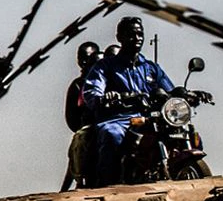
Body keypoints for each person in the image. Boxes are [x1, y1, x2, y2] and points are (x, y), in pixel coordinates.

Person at [79, 17, 174, 188]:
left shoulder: (151, 67)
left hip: (148, 118)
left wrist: (187, 94)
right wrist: (107, 97)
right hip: (119, 119)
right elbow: (92, 92)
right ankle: (107, 185)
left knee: (180, 130)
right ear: (120, 37)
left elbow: (169, 89)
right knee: (112, 135)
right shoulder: (105, 66)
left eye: (140, 34)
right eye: (131, 34)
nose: (137, 38)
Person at [59, 41, 103, 191]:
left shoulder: (111, 80)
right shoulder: (78, 85)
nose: (84, 62)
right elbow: (72, 119)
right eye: (82, 58)